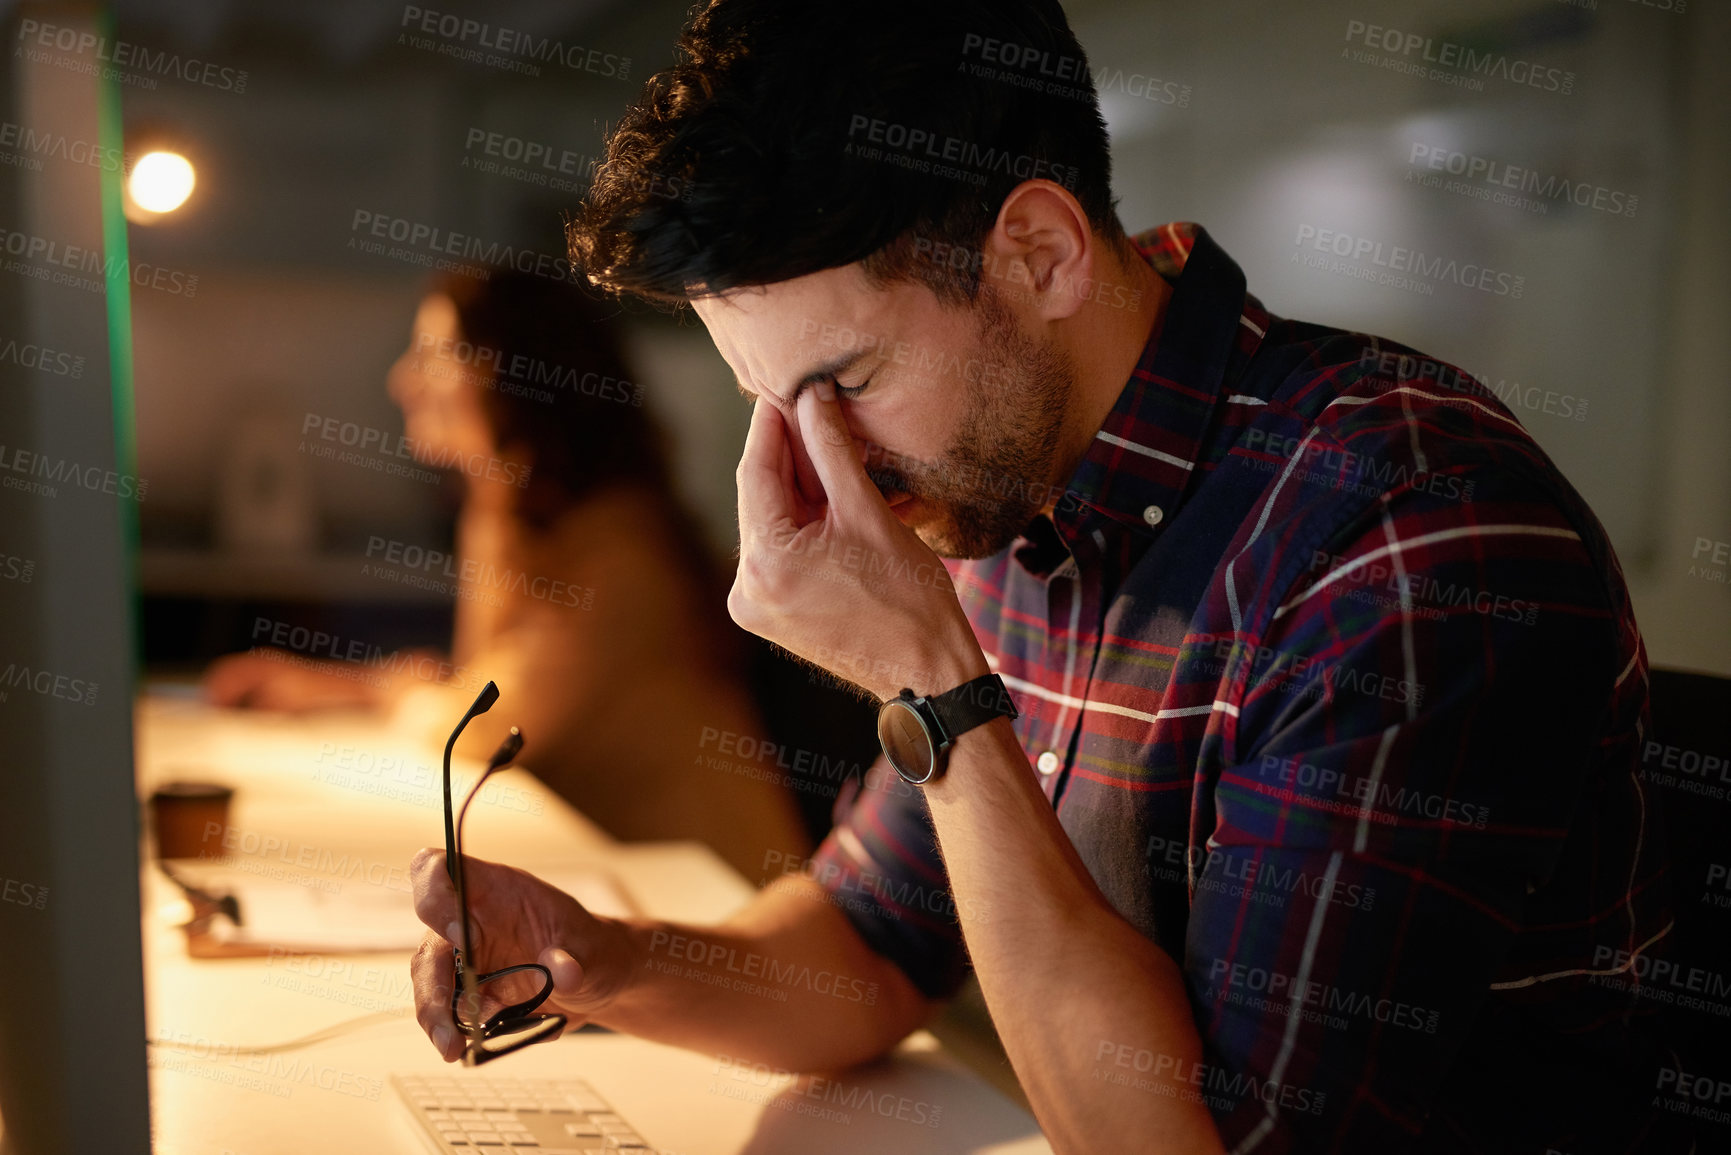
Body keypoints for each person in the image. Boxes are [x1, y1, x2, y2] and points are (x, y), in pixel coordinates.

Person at [408, 2, 1689, 1150]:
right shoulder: (1003, 493)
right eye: (770, 403)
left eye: (846, 384)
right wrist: (593, 960)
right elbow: (866, 943)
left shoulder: (1407, 541)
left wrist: (934, 685)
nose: (822, 472)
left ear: (1038, 252)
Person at [204, 271, 811, 877]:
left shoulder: (620, 553)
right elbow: (484, 685)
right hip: (633, 879)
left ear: (515, 379)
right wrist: (354, 688)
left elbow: (479, 728)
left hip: (724, 894)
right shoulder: (514, 514)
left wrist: (394, 689)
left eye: (436, 356)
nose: (403, 381)